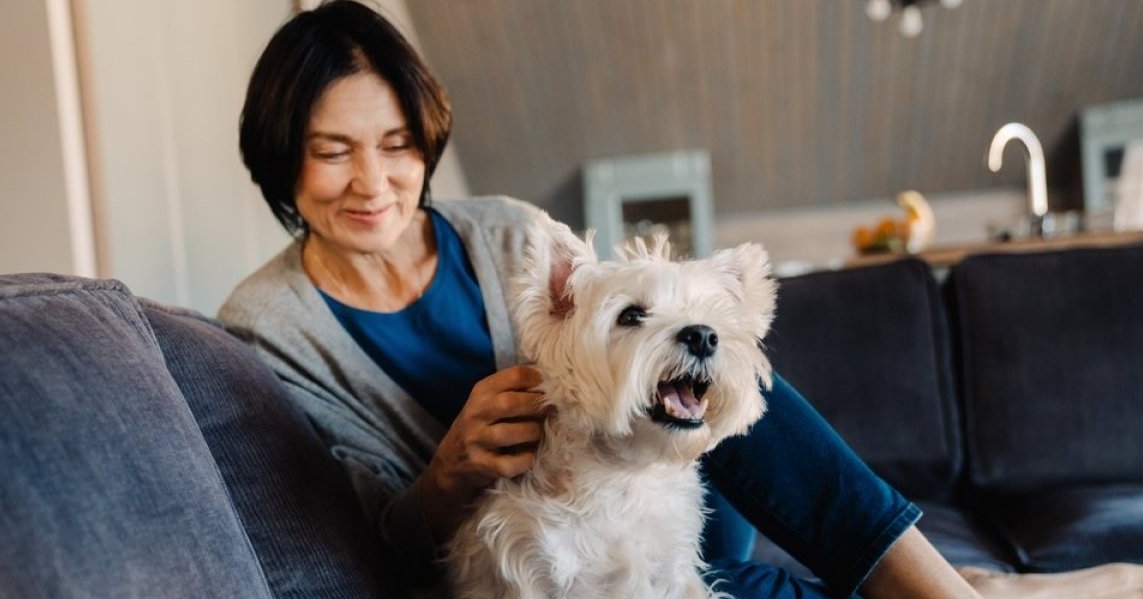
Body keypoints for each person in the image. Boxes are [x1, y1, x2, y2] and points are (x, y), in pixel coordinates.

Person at [219, 2, 1140, 598]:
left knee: (714, 368)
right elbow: (341, 541)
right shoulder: (270, 326)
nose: (373, 181)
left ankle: (942, 592)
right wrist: (445, 474)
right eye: (332, 150)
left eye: (397, 143)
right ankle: (973, 588)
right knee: (713, 580)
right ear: (279, 158)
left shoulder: (502, 230)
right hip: (531, 560)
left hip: (645, 501)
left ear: (426, 139)